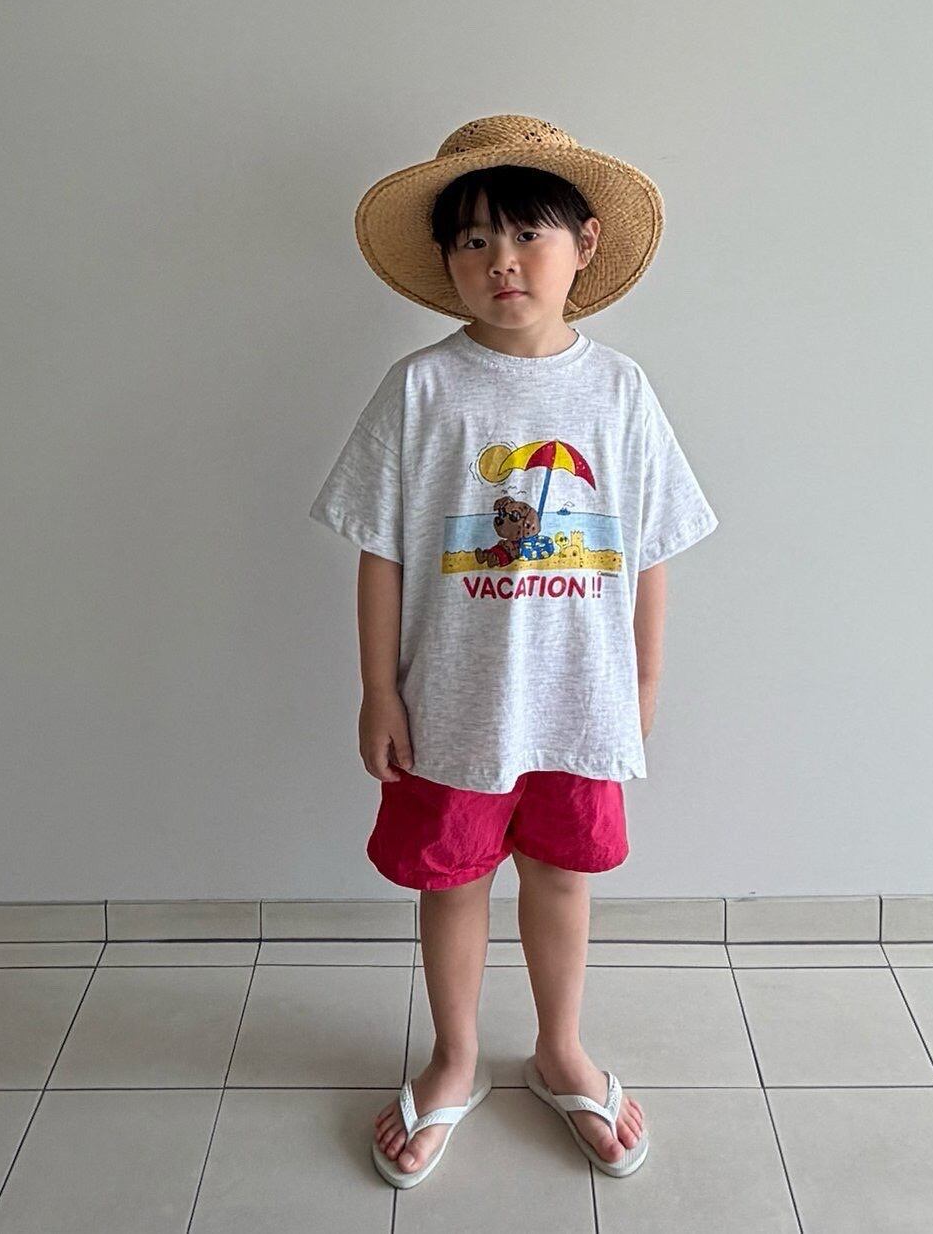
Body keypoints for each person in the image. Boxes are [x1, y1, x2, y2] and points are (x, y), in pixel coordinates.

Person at [309, 113, 719, 1187]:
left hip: (580, 701)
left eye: (526, 233)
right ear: (446, 260)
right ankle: (453, 1057)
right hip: (453, 702)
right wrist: (377, 688)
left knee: (563, 874)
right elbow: (381, 550)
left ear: (584, 244)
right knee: (450, 881)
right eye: (473, 239)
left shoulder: (620, 390)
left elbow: (650, 548)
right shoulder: (420, 389)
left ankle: (558, 1048)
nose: (501, 259)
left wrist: (644, 679)